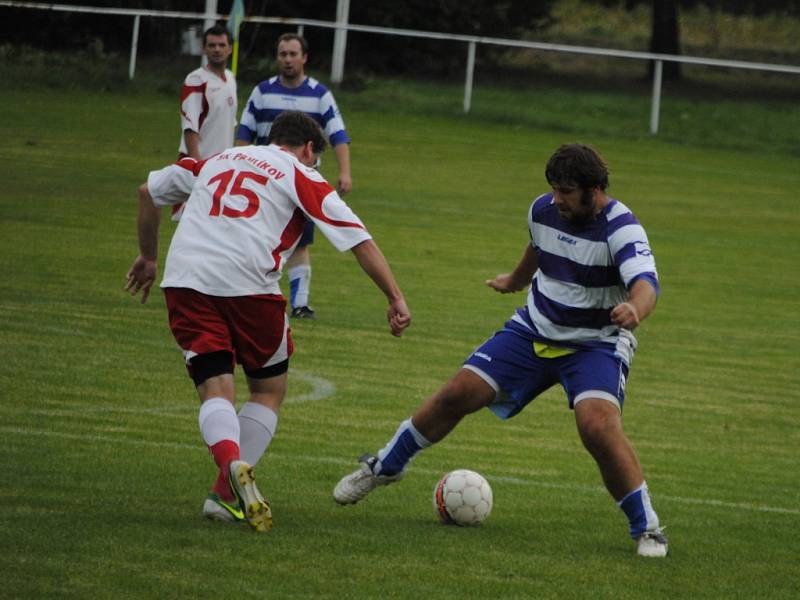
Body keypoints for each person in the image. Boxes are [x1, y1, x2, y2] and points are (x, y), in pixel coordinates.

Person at [333, 143, 669, 558]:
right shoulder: (544, 210)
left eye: (566, 191)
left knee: (597, 426)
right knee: (458, 392)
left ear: (595, 190)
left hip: (594, 343)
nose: (556, 199)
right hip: (533, 330)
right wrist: (515, 279)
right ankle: (385, 466)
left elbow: (646, 283)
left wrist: (636, 308)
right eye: (553, 189)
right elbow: (538, 247)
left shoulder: (623, 229)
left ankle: (648, 528)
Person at [125, 111, 411, 533]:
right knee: (268, 389)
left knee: (215, 386)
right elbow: (357, 238)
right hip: (249, 286)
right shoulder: (301, 174)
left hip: (187, 277)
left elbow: (148, 190)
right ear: (310, 149)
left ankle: (226, 483)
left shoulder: (217, 159)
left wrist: (149, 257)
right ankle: (227, 487)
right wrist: (395, 296)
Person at [236, 33, 352, 320]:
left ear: (304, 58)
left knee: (300, 240)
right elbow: (244, 134)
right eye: (282, 54)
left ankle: (300, 303)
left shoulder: (319, 94)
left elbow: (338, 133)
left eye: (292, 54)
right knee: (257, 235)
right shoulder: (262, 91)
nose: (287, 59)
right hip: (264, 180)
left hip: (300, 181)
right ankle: (248, 292)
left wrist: (345, 171)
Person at [171, 24, 237, 221]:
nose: (217, 49)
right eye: (212, 45)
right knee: (191, 224)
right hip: (199, 165)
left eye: (221, 45)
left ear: (230, 48)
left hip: (221, 168)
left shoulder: (231, 79)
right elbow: (190, 128)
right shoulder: (196, 80)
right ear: (204, 49)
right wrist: (197, 167)